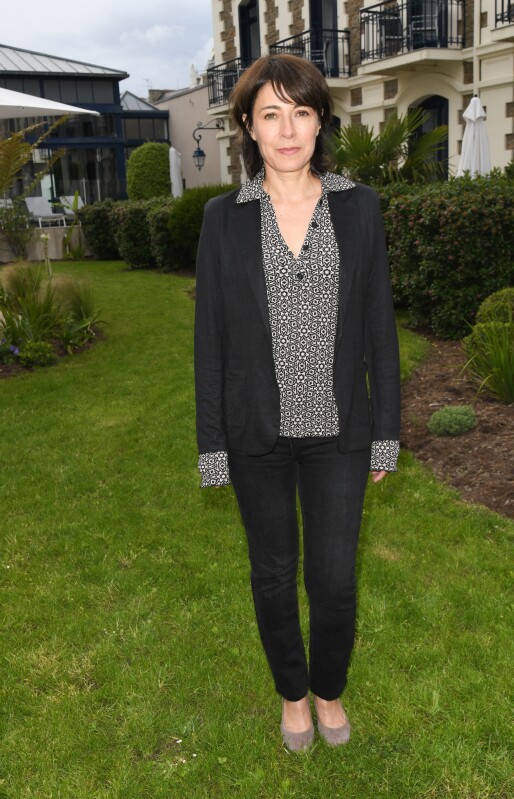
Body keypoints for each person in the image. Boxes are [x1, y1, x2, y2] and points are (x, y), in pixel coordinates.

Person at [194, 54, 400, 750]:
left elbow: (380, 328)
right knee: (275, 573)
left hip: (340, 428)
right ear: (249, 127)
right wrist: (213, 444)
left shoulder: (359, 206)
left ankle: (330, 689)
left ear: (320, 121)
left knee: (335, 578)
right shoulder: (223, 220)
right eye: (271, 113)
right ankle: (292, 694)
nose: (288, 129)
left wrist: (386, 433)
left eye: (301, 111)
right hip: (258, 433)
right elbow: (210, 341)